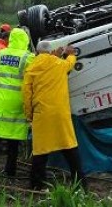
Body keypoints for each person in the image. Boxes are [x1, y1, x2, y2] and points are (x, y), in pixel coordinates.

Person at [22, 41, 85, 190]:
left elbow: (26, 95)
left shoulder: (31, 68)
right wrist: (70, 53)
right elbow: (70, 62)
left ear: (37, 53)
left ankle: (36, 185)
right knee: (69, 147)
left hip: (42, 114)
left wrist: (29, 115)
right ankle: (81, 184)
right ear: (51, 52)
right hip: (60, 114)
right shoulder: (60, 64)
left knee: (40, 152)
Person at [0, 28, 35, 176]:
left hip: (1, 99)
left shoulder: (2, 54)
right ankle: (10, 170)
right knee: (14, 138)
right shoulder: (28, 57)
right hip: (17, 100)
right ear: (25, 40)